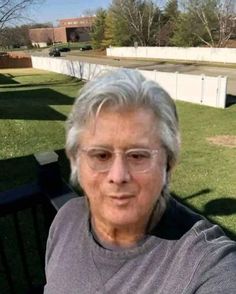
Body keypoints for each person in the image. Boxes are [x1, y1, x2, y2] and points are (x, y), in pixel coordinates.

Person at [44, 68, 236, 294]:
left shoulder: (207, 265)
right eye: (101, 155)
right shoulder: (65, 220)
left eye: (138, 155)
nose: (118, 176)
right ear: (76, 161)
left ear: (168, 163)